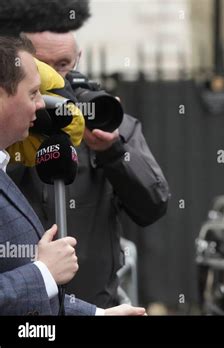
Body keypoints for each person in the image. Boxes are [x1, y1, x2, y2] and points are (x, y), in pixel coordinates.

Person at [7, 31, 170, 308]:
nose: (55, 77)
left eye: (63, 64)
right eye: (42, 65)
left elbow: (153, 205)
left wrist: (112, 151)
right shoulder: (13, 125)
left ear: (78, 59)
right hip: (22, 304)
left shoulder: (105, 120)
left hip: (95, 302)